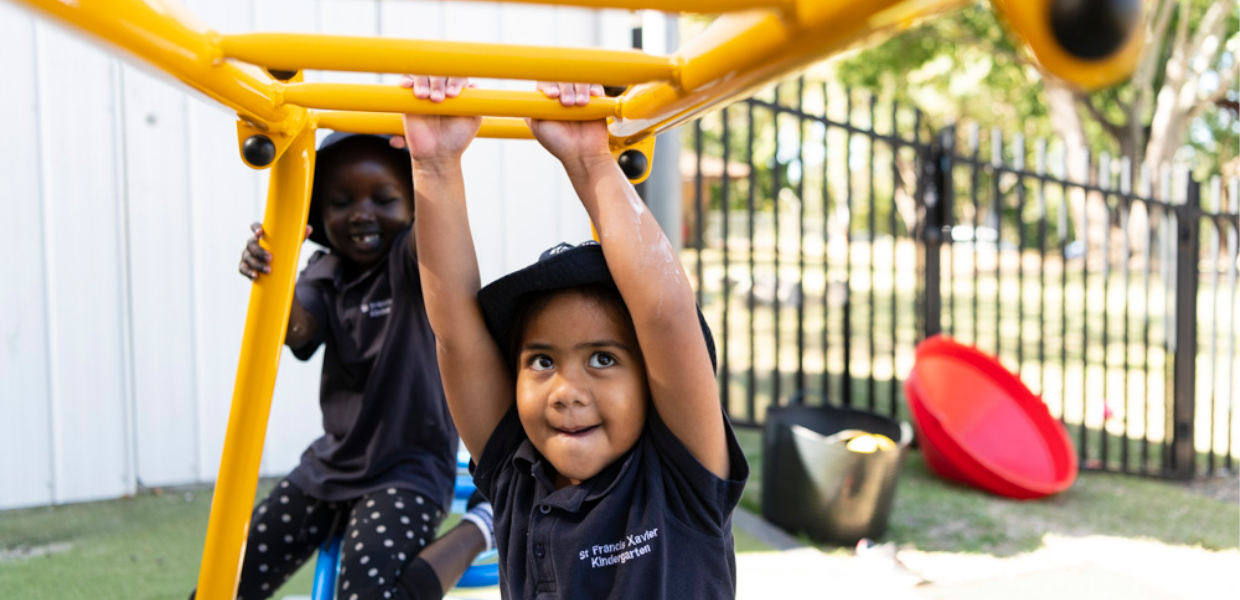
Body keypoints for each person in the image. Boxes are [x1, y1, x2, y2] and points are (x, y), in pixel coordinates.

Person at [404, 80, 750, 599]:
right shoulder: (516, 474)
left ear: (651, 381)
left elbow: (666, 317)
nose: (566, 389)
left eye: (603, 358)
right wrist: (434, 165)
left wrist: (590, 161)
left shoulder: (679, 478)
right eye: (541, 361)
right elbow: (456, 330)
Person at [197, 77, 493, 600]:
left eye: (382, 197)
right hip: (331, 465)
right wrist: (277, 276)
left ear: (410, 204)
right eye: (340, 201)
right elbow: (299, 330)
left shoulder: (410, 260)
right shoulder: (323, 271)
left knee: (368, 593)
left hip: (406, 469)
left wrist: (436, 163)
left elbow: (437, 235)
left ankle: (481, 526)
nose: (360, 213)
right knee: (226, 578)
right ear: (318, 214)